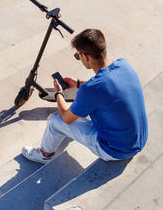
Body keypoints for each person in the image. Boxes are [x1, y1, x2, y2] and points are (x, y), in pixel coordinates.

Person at [22, 29, 148, 164]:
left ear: (86, 57)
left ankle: (44, 154)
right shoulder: (124, 65)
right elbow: (108, 85)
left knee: (54, 120)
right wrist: (76, 83)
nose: (79, 59)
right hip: (139, 140)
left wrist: (58, 93)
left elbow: (66, 117)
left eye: (78, 56)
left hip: (114, 150)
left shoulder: (90, 90)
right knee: (86, 109)